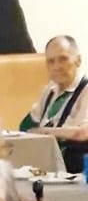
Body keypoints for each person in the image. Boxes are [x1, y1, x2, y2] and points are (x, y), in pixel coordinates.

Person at [19, 35, 88, 173]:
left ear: (78, 60)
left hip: (75, 170)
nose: (57, 67)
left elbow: (83, 133)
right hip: (46, 166)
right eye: (51, 61)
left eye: (63, 59)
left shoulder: (85, 90)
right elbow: (26, 126)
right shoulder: (50, 90)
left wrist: (44, 132)